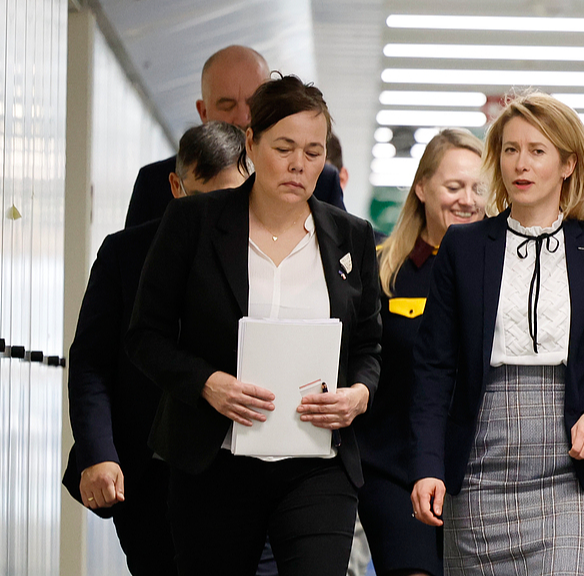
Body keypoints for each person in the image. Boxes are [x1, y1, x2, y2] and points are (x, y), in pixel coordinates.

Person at [126, 75, 381, 576]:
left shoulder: (351, 236)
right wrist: (206, 383)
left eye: (312, 152)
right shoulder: (194, 223)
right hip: (215, 460)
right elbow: (145, 336)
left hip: (318, 463)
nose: (298, 165)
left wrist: (358, 395)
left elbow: (370, 348)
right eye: (284, 147)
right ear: (251, 143)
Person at [409, 92, 584, 575]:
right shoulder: (464, 247)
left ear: (568, 163)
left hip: (572, 467)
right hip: (478, 466)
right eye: (510, 150)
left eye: (537, 151)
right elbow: (434, 367)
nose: (521, 163)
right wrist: (429, 464)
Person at [62, 121, 250, 576]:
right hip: (147, 471)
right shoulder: (125, 254)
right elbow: (91, 362)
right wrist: (99, 452)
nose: (214, 213)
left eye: (229, 197)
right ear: (176, 186)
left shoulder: (265, 256)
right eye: (202, 197)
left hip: (236, 467)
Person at [355, 128, 485, 576]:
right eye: (454, 186)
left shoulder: (504, 275)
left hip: (477, 473)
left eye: (479, 187)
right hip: (393, 467)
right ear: (422, 187)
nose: (467, 199)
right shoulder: (383, 269)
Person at [124, 45, 346, 227]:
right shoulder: (156, 182)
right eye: (227, 105)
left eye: (253, 104)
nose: (242, 117)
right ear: (203, 111)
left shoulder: (319, 181)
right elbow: (133, 263)